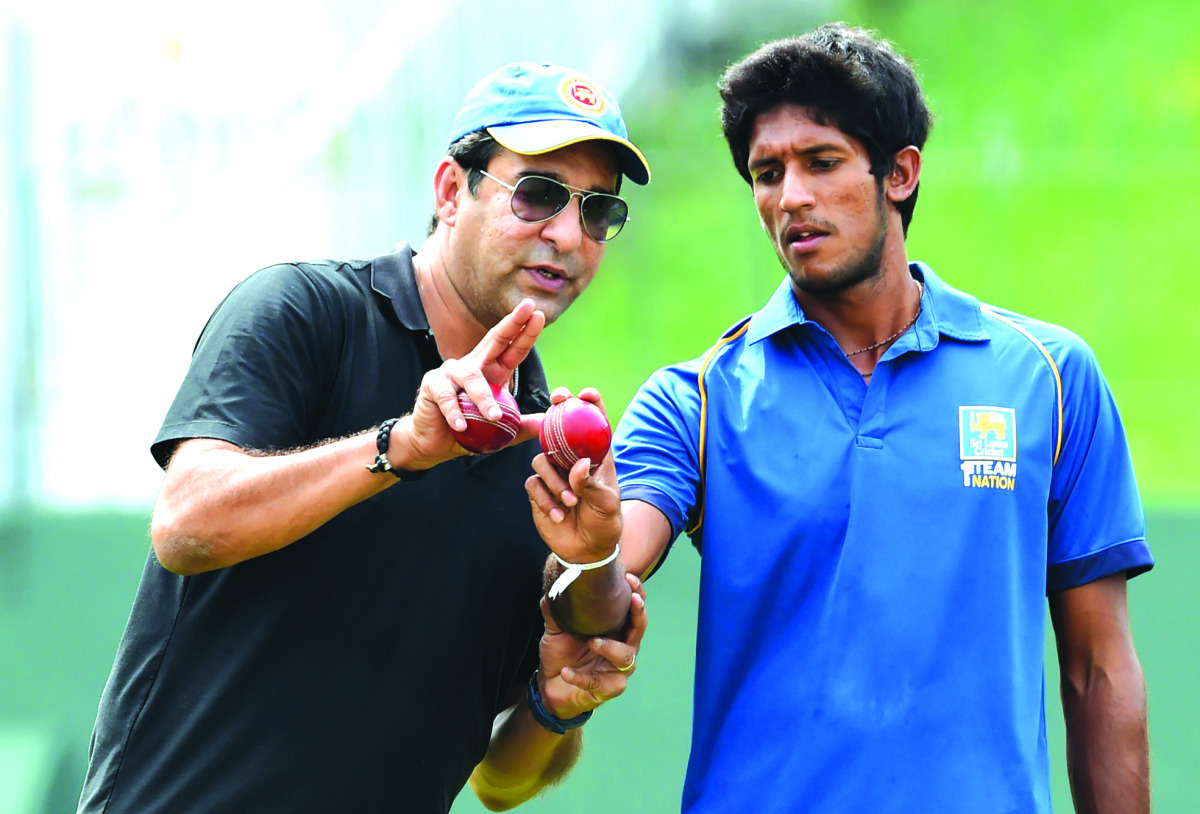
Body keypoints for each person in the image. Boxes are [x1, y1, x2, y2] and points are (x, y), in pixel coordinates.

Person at [527, 24, 1153, 814]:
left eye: (820, 162)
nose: (790, 197)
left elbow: (1099, 668)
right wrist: (587, 556)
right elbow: (606, 597)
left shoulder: (1051, 377)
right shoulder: (697, 398)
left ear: (899, 173)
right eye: (766, 172)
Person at [78, 62, 652, 814]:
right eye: (538, 193)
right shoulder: (304, 311)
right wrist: (401, 447)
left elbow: (500, 783)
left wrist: (560, 704)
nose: (569, 234)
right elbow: (186, 526)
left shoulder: (544, 458)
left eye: (599, 211)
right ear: (451, 191)